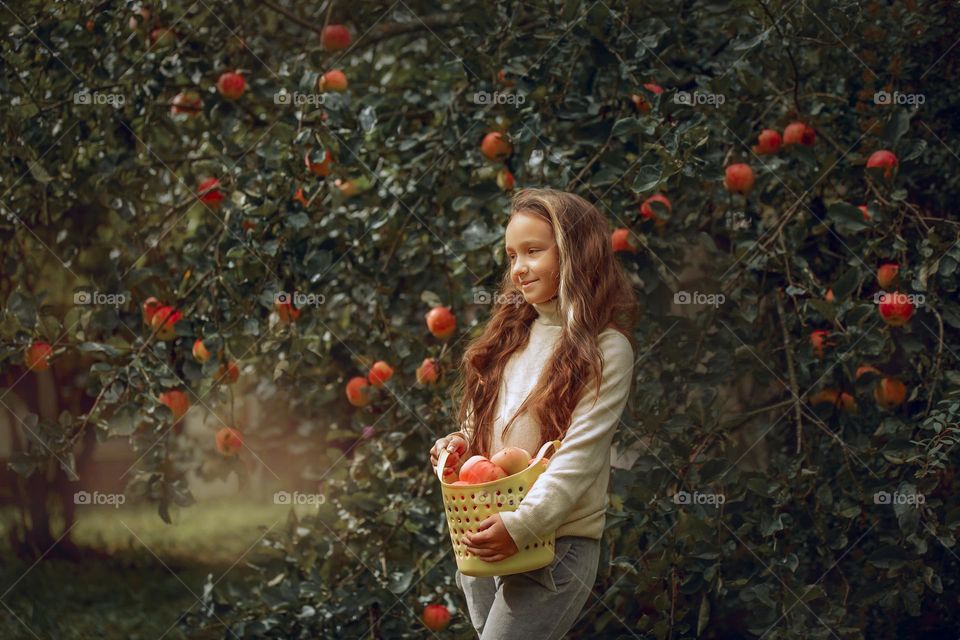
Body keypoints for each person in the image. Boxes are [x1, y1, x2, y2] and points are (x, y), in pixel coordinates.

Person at [430, 188, 639, 639]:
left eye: (533, 251)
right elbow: (485, 429)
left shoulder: (607, 348)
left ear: (576, 254)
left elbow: (578, 457)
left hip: (555, 544)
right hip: (486, 535)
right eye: (511, 256)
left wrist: (522, 525)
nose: (518, 269)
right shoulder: (510, 336)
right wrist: (460, 446)